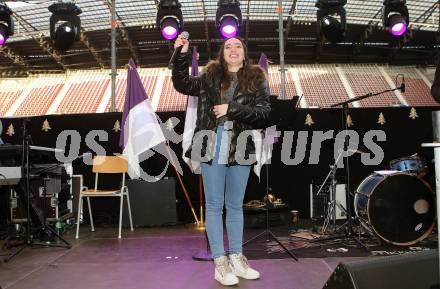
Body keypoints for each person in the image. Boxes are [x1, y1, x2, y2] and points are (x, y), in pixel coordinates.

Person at [172, 35, 271, 286]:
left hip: (240, 146)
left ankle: (237, 258)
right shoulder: (209, 76)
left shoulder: (257, 77)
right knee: (215, 206)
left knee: (235, 205)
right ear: (221, 53)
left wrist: (232, 109)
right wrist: (181, 55)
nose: (233, 49)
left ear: (244, 51)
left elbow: (263, 114)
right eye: (228, 46)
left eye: (238, 45)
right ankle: (220, 263)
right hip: (211, 143)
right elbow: (182, 83)